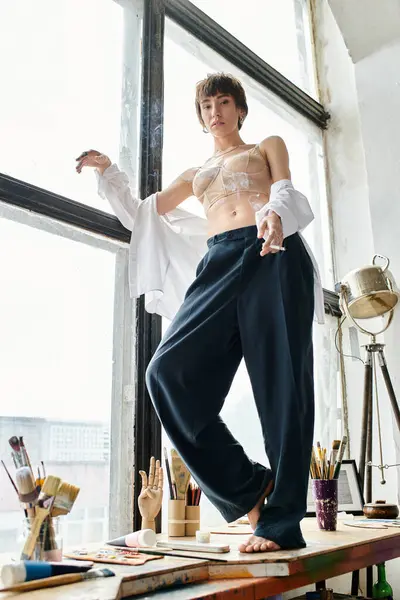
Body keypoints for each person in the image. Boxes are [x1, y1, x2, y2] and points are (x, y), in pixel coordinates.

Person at [76, 73, 324, 553]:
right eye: (207, 106)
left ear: (239, 109)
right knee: (166, 373)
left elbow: (286, 189)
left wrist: (274, 216)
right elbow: (143, 213)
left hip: (272, 251)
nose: (216, 112)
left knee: (283, 385)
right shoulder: (196, 174)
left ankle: (281, 522)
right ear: (201, 117)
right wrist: (109, 174)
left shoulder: (266, 145)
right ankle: (251, 489)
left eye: (224, 102)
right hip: (219, 260)